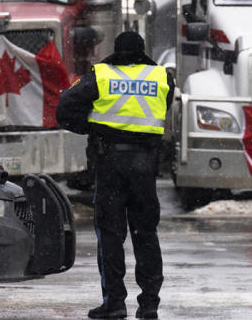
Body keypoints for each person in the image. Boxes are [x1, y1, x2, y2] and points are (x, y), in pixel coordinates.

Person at [56, 31, 172, 319]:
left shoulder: (102, 75)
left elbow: (65, 107)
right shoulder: (162, 76)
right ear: (143, 51)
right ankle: (149, 305)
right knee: (146, 234)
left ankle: (115, 303)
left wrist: (92, 127)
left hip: (110, 163)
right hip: (144, 164)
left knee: (110, 234)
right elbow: (161, 109)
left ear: (116, 52)